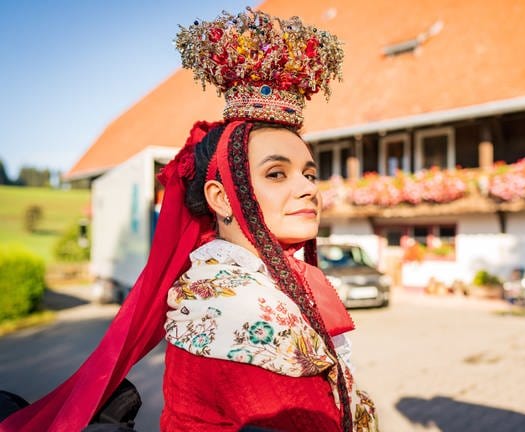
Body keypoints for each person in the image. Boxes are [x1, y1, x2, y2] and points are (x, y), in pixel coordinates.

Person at [0, 7, 377, 432]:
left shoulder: (254, 286)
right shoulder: (232, 308)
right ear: (221, 198)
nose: (309, 188)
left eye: (310, 173)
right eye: (277, 173)